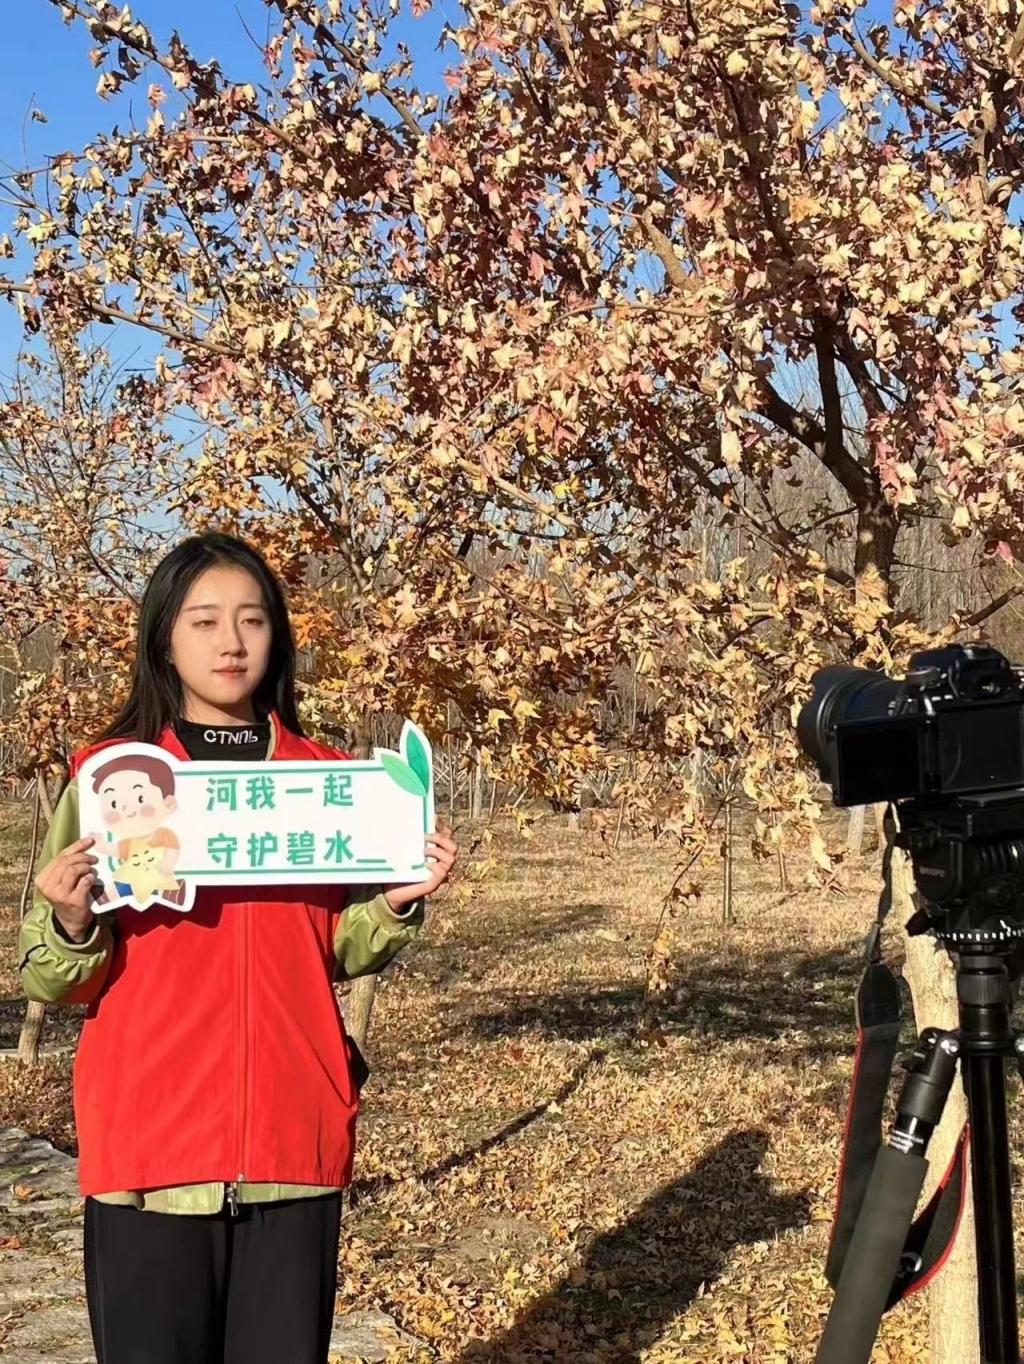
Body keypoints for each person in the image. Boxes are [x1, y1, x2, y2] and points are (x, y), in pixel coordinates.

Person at [17, 531, 457, 1364]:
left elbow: (336, 946)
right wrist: (72, 922)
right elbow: (51, 972)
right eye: (205, 621)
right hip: (149, 1142)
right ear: (164, 640)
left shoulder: (327, 785)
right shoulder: (114, 783)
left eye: (252, 620)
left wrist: (394, 904)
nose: (231, 642)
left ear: (276, 637)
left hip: (293, 1133)